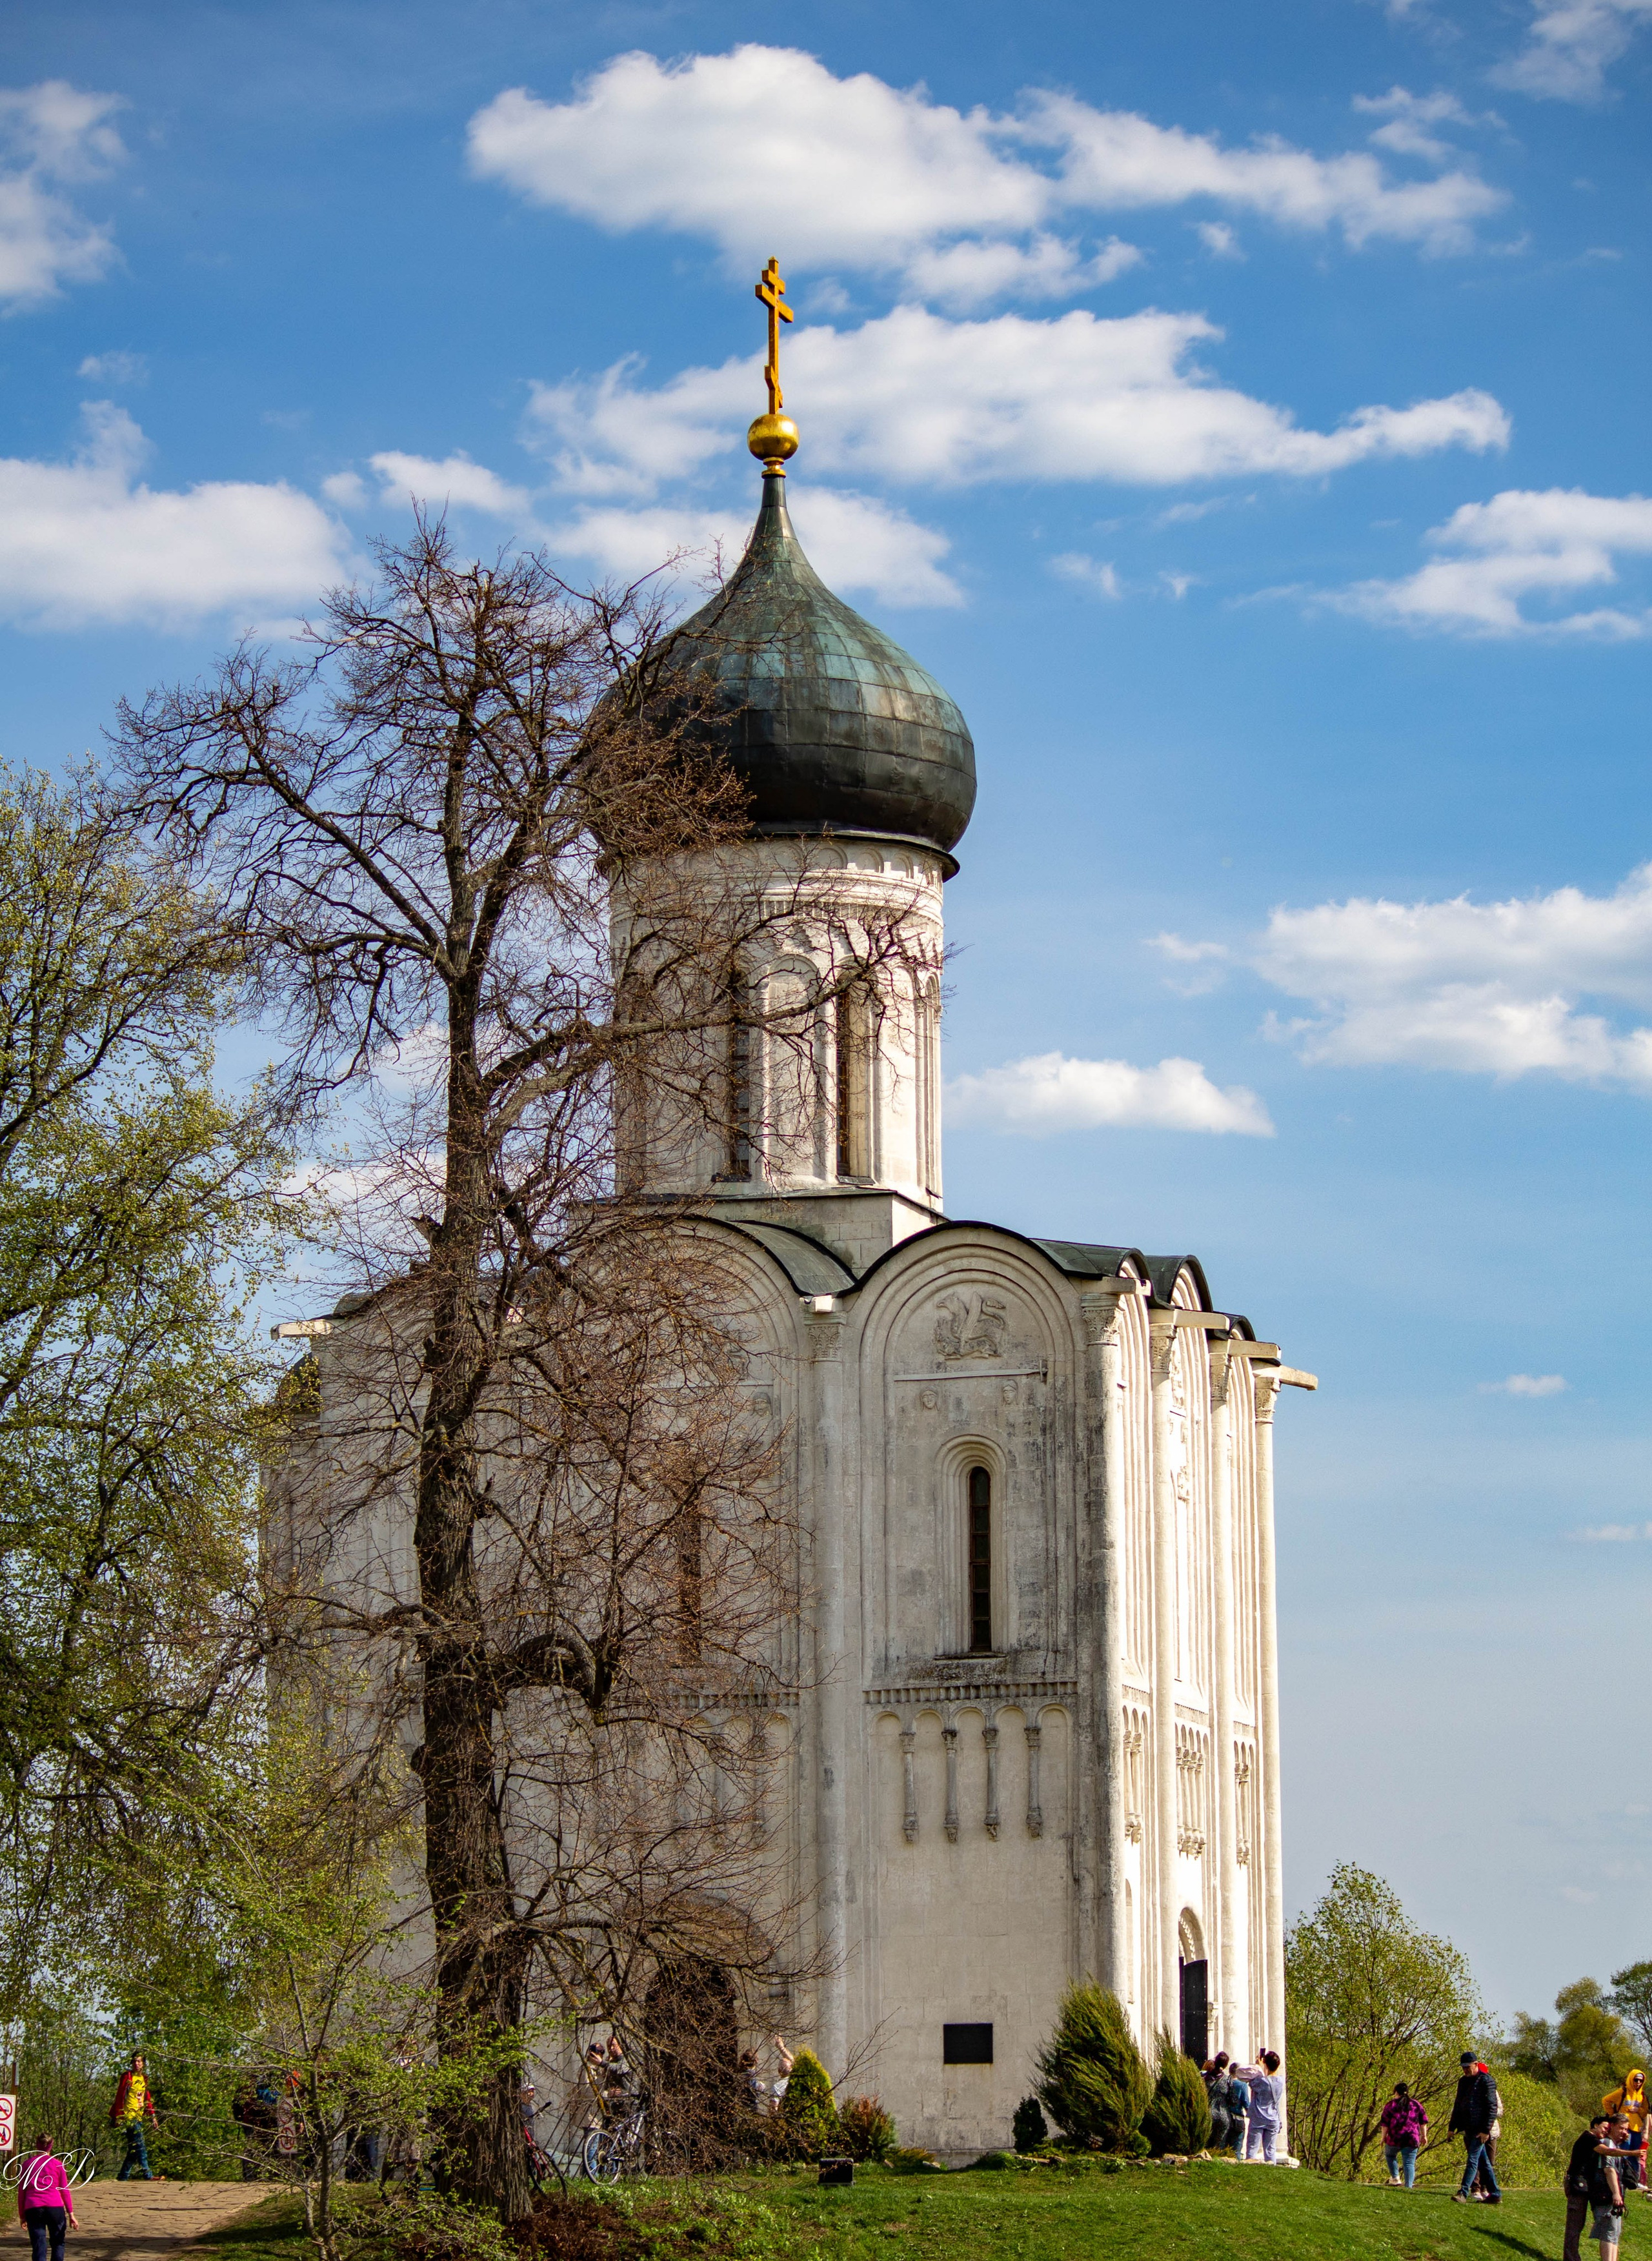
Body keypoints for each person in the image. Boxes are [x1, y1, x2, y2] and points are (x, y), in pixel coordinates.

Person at [1449, 2050, 1502, 2205]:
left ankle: (1463, 2192)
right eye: (1463, 2067)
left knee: (1472, 2159)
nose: (1466, 2070)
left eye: (1468, 2067)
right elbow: (1458, 2105)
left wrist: (1486, 2130)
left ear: (1476, 2065)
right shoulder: (1463, 2082)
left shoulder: (1487, 2081)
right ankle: (1496, 2194)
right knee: (1484, 2163)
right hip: (1469, 2128)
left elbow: (1492, 2108)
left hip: (1481, 2130)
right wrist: (1452, 2128)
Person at [19, 2140, 77, 2261]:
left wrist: (22, 2215)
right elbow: (64, 2190)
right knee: (58, 2242)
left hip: (33, 2207)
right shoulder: (57, 2164)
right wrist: (71, 2213)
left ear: (36, 2145)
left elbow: (22, 2191)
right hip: (55, 2207)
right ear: (51, 2146)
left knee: (39, 2244)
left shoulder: (27, 2164)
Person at [1569, 2116, 1617, 2261]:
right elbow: (1608, 2151)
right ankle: (1571, 2258)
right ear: (1595, 2125)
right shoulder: (1589, 2138)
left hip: (1584, 2185)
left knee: (1578, 2225)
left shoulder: (1591, 2139)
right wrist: (1632, 2153)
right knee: (1574, 2226)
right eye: (1604, 2128)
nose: (1606, 2132)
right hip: (1577, 2185)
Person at [110, 2051, 159, 2180]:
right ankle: (148, 2174)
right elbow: (120, 2096)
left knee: (134, 2148)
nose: (137, 2064)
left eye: (139, 2061)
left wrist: (152, 2116)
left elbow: (147, 2098)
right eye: (134, 2061)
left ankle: (123, 2176)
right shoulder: (127, 2077)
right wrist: (119, 2116)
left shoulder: (144, 2078)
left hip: (139, 2116)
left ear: (143, 2064)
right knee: (141, 2145)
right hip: (129, 2116)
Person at [1606, 2073, 1649, 2194]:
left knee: (1636, 2155)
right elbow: (1606, 2101)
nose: (1638, 2083)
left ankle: (1634, 2180)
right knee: (1623, 2153)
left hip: (1637, 2129)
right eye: (1636, 2080)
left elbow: (1646, 2111)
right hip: (1625, 2128)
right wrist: (1613, 2116)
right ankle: (1620, 2178)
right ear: (1631, 2079)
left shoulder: (1642, 2096)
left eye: (1641, 2080)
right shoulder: (1622, 2092)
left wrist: (1638, 2110)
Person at [1380, 2081, 1428, 2187]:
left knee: (1390, 2155)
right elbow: (1423, 2122)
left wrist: (1383, 2138)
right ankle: (1408, 2186)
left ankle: (1396, 2177)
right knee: (1409, 2163)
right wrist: (1424, 2136)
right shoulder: (1416, 2104)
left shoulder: (1391, 2105)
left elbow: (1385, 2124)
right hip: (1412, 2138)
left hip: (1394, 2138)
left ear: (1396, 2092)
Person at [1204, 2053, 1232, 2153]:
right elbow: (1233, 2100)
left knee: (1206, 2145)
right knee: (1220, 2146)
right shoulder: (1228, 2080)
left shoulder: (1205, 2078)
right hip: (1223, 2114)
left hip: (1209, 2113)